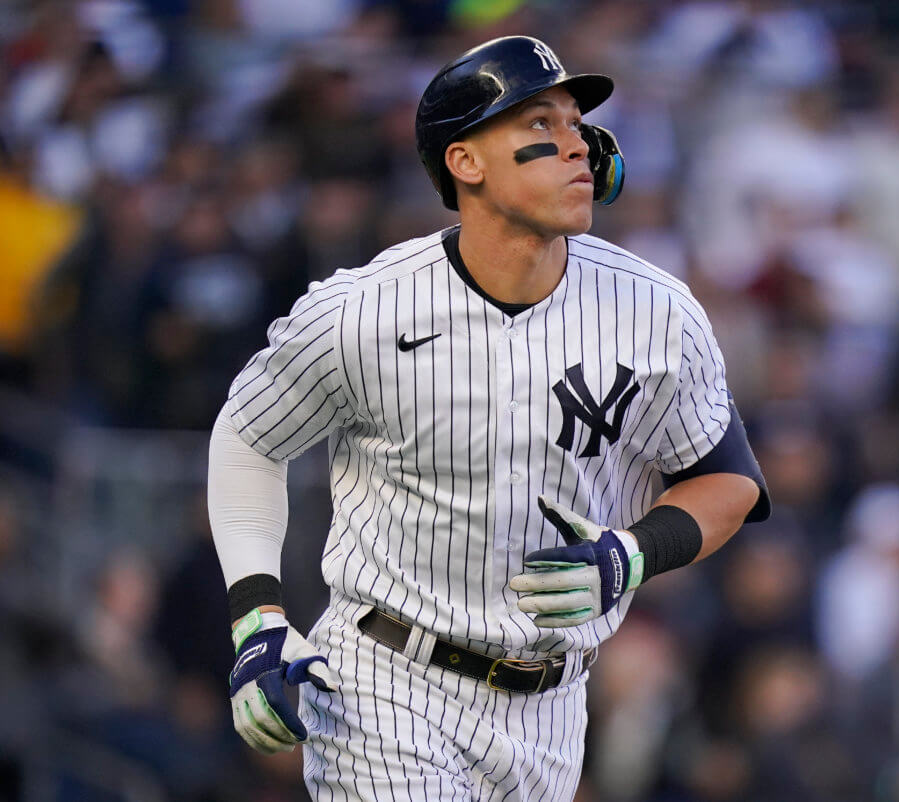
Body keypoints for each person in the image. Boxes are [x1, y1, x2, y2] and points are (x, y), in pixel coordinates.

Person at [206, 35, 769, 801]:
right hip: (386, 681)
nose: (577, 146)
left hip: (553, 708)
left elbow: (728, 481)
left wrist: (630, 555)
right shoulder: (362, 310)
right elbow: (248, 439)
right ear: (465, 162)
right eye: (540, 126)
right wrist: (255, 618)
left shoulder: (657, 312)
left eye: (578, 125)